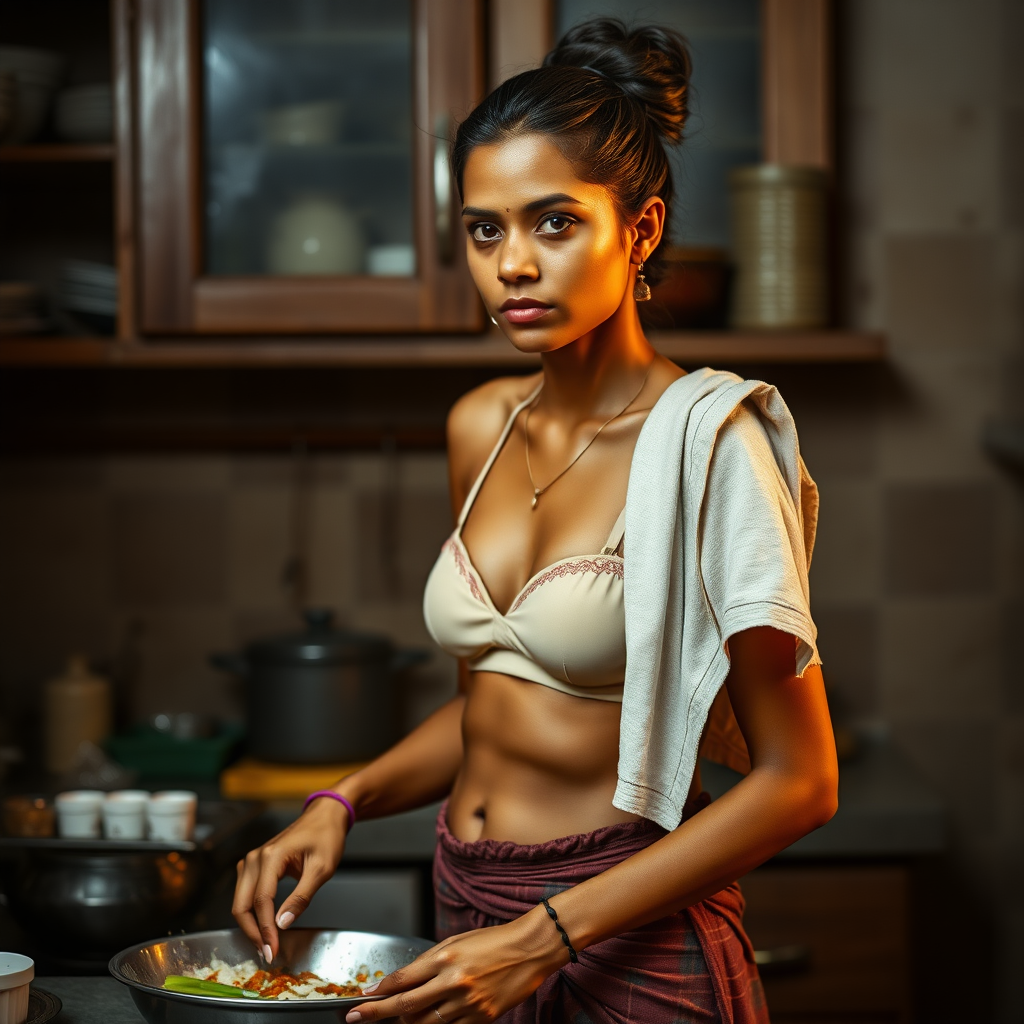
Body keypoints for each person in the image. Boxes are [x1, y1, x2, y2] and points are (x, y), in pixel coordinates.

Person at [232, 19, 838, 1024]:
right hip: (468, 912)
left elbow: (799, 781)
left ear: (638, 232)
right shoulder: (479, 423)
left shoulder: (707, 443)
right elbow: (495, 707)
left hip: (629, 931)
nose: (513, 263)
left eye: (553, 223)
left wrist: (545, 935)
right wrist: (337, 802)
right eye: (484, 229)